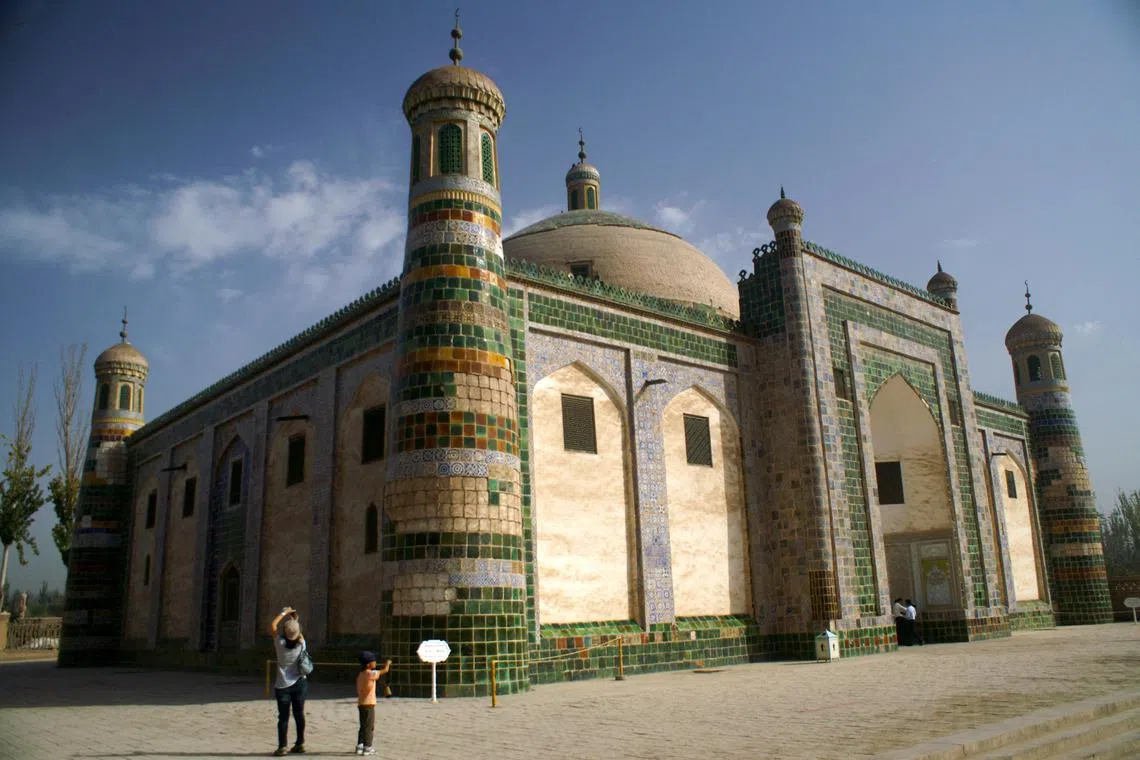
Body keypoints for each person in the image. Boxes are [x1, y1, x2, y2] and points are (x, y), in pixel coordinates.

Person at [269, 606, 308, 756]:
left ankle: (282, 746)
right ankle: (300, 743)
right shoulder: (301, 644)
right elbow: (296, 633)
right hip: (300, 683)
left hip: (283, 685)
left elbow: (273, 626)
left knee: (283, 717)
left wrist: (284, 613)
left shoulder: (280, 644)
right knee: (299, 714)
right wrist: (295, 620)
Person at [355, 651, 392, 756]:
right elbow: (385, 670)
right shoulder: (370, 674)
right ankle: (368, 747)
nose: (375, 663)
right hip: (369, 704)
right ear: (368, 664)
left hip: (361, 703)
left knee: (362, 725)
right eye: (373, 661)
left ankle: (360, 745)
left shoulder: (361, 674)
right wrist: (388, 663)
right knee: (369, 726)